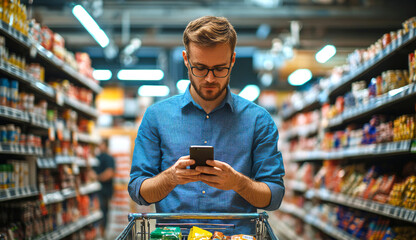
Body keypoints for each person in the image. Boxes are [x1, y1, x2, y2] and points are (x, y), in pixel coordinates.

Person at [128, 16, 285, 235]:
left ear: (232, 60)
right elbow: (138, 191)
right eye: (200, 68)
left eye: (219, 68)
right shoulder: (156, 117)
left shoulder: (259, 120)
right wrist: (171, 177)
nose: (210, 79)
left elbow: (274, 196)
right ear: (185, 59)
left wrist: (238, 182)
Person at [93, 139, 115, 238]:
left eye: (101, 144)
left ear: (105, 145)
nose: (99, 146)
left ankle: (103, 233)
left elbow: (110, 173)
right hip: (97, 190)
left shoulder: (109, 158)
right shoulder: (96, 157)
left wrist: (97, 178)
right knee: (99, 212)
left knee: (104, 212)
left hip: (105, 191)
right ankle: (99, 233)